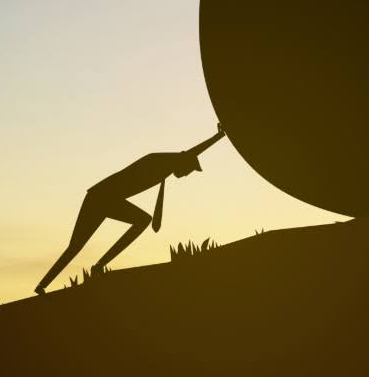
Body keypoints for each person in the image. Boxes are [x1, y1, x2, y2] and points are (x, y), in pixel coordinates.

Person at [35, 124, 227, 294]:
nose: (184, 175)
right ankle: (44, 284)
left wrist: (218, 137)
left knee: (142, 220)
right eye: (187, 171)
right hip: (100, 198)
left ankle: (98, 265)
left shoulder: (167, 167)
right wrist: (216, 137)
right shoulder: (161, 162)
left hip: (110, 200)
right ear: (183, 162)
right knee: (75, 246)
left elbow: (191, 154)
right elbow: (190, 153)